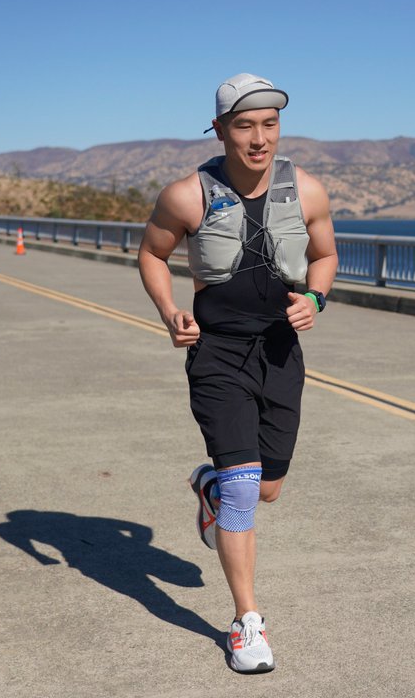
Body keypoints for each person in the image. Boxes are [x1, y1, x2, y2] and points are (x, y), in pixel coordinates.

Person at [138, 73, 337, 673]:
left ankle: (210, 486)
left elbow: (325, 256)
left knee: (266, 487)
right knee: (246, 493)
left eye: (269, 125)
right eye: (245, 126)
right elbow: (151, 253)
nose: (259, 139)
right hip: (218, 354)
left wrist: (317, 300)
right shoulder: (186, 196)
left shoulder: (306, 190)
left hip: (280, 353)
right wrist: (171, 309)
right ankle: (247, 622)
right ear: (221, 129)